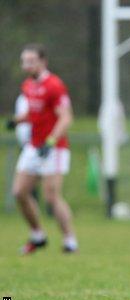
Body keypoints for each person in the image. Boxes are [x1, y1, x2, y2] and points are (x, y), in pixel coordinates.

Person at [5, 44, 77, 254]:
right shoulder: (28, 85)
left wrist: (51, 141)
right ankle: (38, 235)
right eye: (24, 61)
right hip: (34, 146)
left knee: (51, 197)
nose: (26, 65)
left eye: (31, 61)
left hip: (54, 148)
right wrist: (17, 121)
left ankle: (70, 240)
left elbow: (66, 117)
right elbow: (35, 114)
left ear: (43, 62)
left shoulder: (54, 85)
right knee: (19, 192)